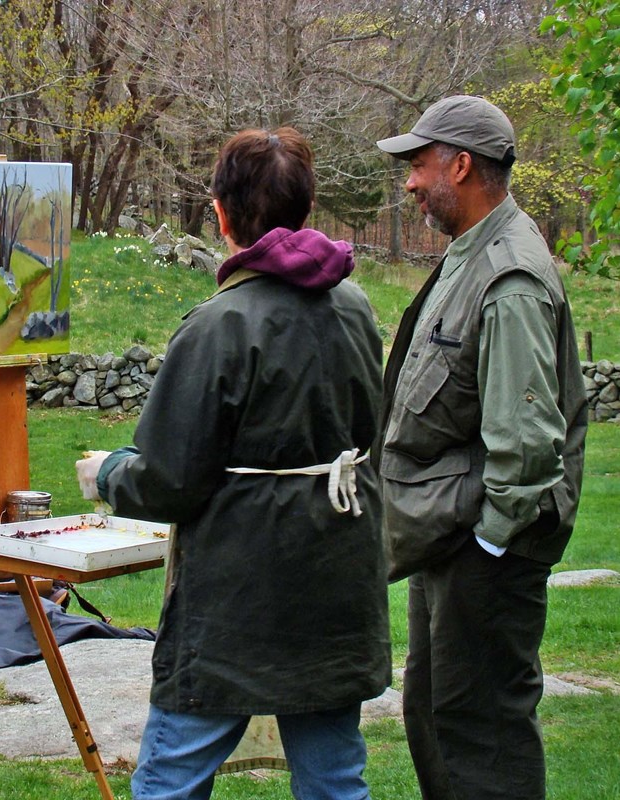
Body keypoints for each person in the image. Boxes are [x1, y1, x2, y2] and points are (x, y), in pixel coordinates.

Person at [76, 127, 390, 800]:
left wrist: (106, 474)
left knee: (171, 779)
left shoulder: (219, 325)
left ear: (220, 212)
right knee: (335, 780)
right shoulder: (356, 309)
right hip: (335, 576)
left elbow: (168, 479)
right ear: (304, 209)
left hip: (238, 599)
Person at [374, 95, 588, 800]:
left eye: (418, 164)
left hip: (485, 548)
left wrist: (489, 547)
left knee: (481, 732)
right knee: (438, 718)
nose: (408, 182)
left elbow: (526, 446)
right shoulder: (472, 254)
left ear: (460, 165)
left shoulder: (509, 277)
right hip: (453, 538)